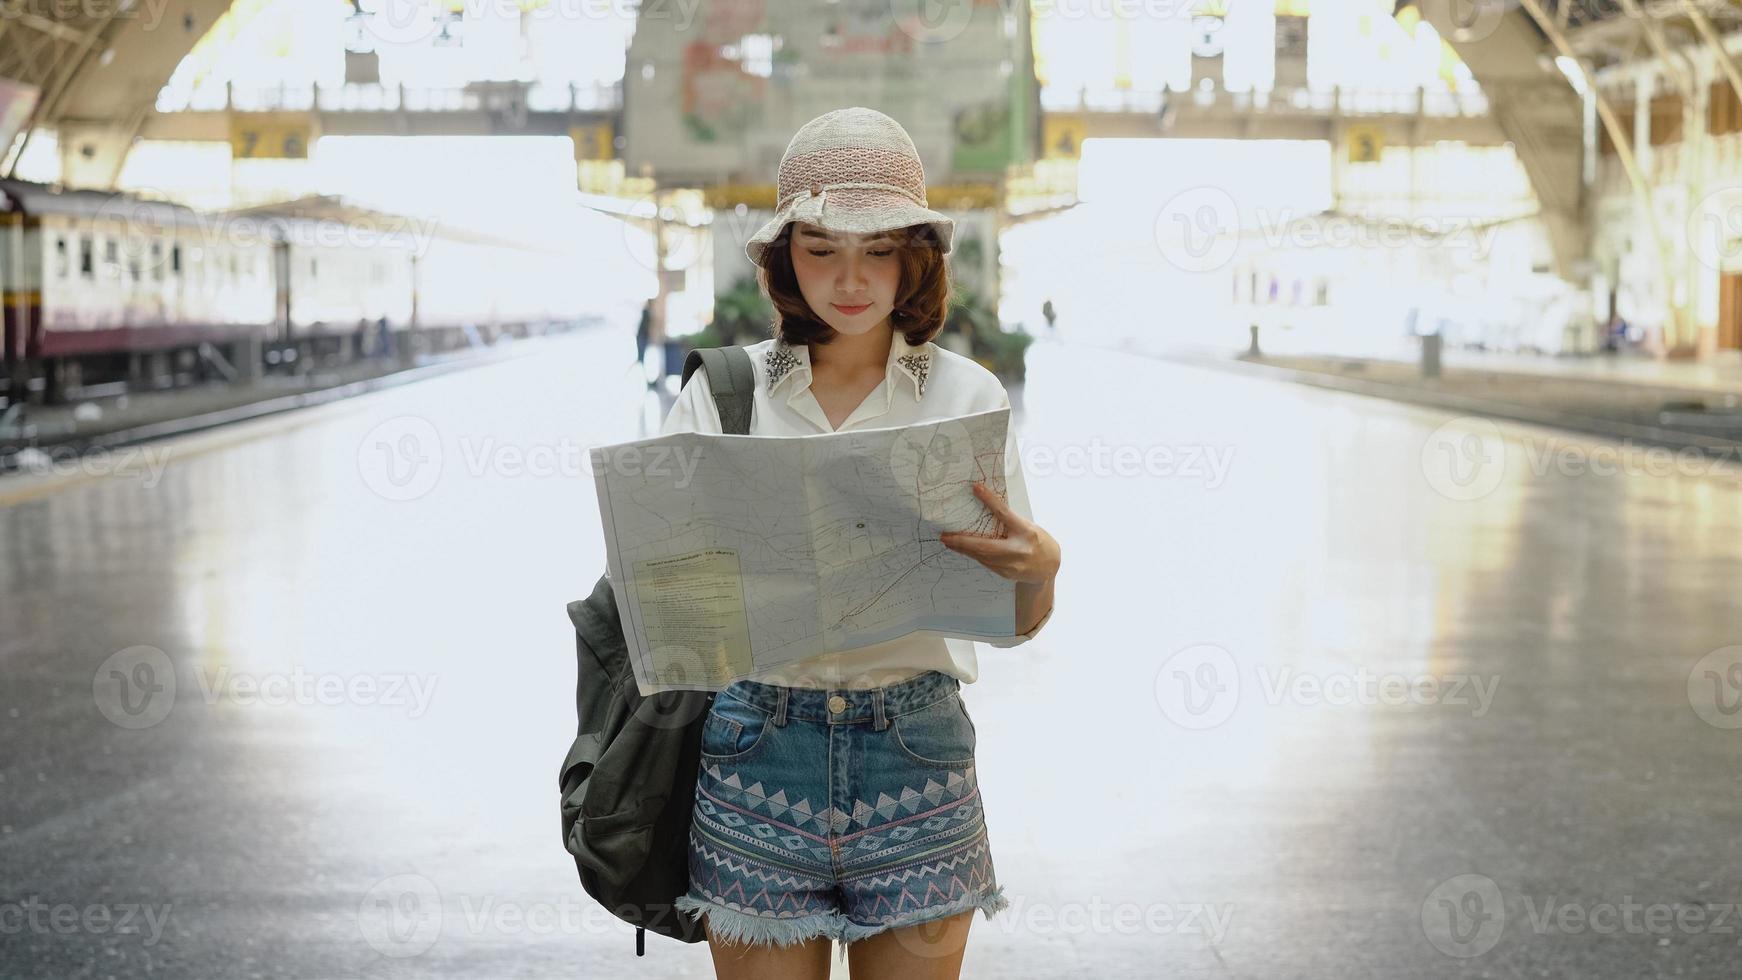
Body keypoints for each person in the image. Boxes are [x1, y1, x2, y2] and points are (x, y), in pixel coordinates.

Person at [657, 106, 1060, 980]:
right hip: (756, 746)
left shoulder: (964, 395)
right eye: (821, 247)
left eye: (879, 248)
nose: (850, 278)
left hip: (914, 751)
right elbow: (673, 609)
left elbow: (1020, 621)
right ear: (782, 255)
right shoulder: (725, 397)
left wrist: (1043, 570)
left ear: (915, 255)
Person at [636, 299, 655, 388]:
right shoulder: (646, 312)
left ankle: (647, 382)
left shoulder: (646, 312)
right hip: (642, 338)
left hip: (642, 337)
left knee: (640, 360)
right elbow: (646, 327)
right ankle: (647, 382)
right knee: (640, 360)